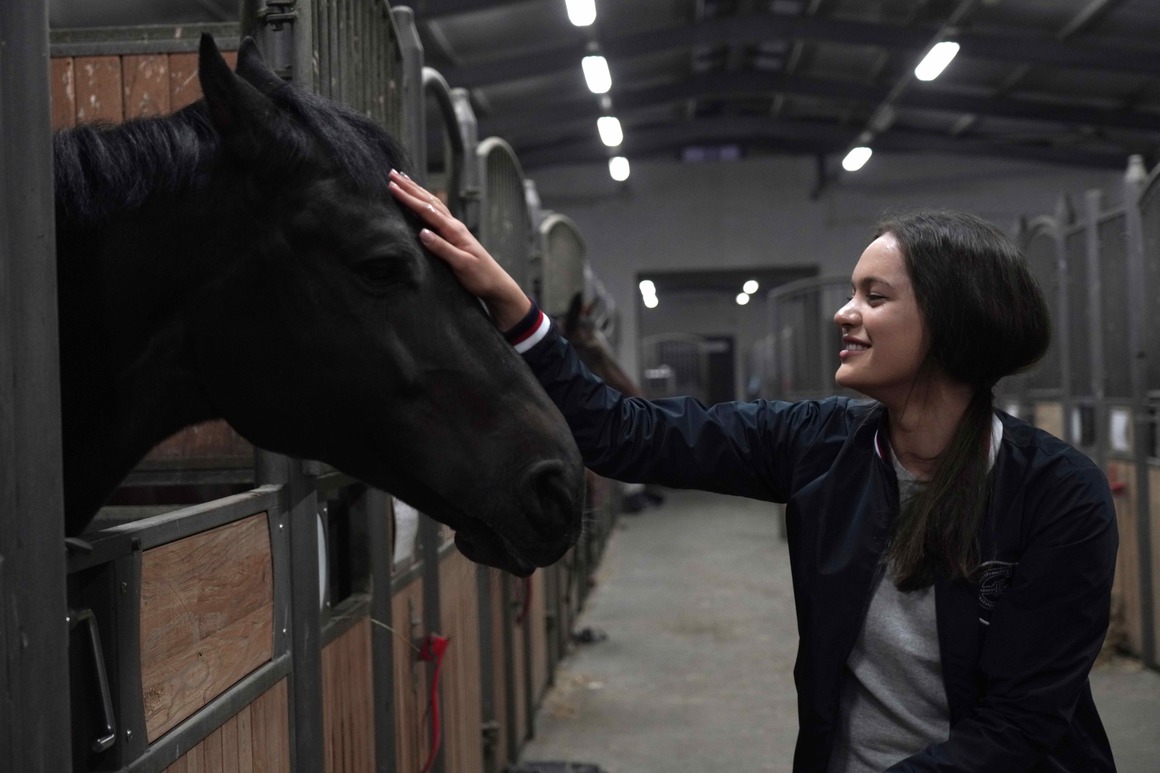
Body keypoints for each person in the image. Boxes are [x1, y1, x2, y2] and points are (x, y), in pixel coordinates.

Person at [388, 170, 1119, 772]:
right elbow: (624, 433)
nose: (843, 313)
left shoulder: (1056, 493)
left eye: (875, 296)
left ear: (954, 322)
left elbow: (1019, 726)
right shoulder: (821, 443)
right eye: (850, 290)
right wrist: (513, 307)